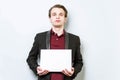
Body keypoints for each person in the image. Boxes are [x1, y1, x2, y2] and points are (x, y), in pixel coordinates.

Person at [26, 4, 83, 80]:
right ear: (50, 18)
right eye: (54, 14)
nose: (57, 17)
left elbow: (79, 62)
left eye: (61, 14)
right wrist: (37, 68)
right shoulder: (40, 37)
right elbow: (31, 58)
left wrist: (74, 71)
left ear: (65, 19)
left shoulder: (74, 39)